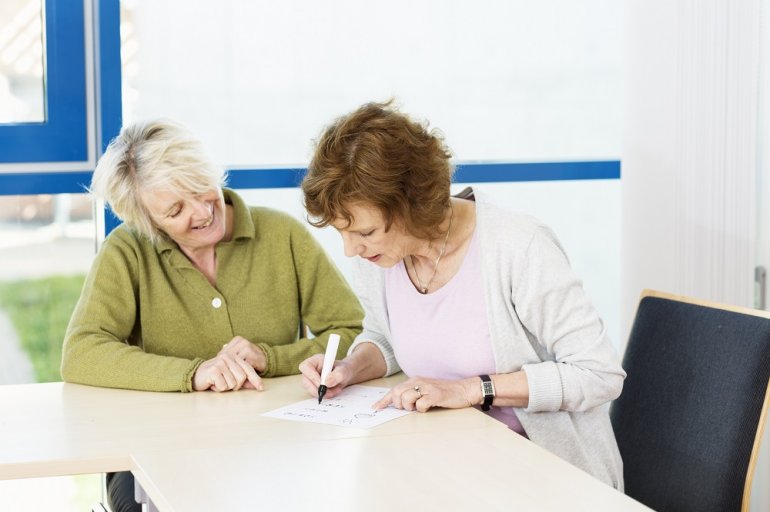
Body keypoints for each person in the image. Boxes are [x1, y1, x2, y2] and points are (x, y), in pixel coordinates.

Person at [298, 101, 626, 490]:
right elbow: (384, 338)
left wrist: (471, 389)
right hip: (442, 464)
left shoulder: (518, 247)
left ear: (412, 205)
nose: (351, 250)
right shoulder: (380, 259)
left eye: (364, 233)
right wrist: (351, 368)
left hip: (543, 475)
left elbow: (599, 375)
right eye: (341, 233)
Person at [61, 119, 363, 512]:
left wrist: (271, 358)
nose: (203, 211)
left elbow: (354, 331)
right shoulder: (127, 252)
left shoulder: (283, 235)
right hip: (158, 450)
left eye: (201, 188)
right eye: (175, 210)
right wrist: (194, 373)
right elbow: (82, 352)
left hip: (275, 445)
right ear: (148, 222)